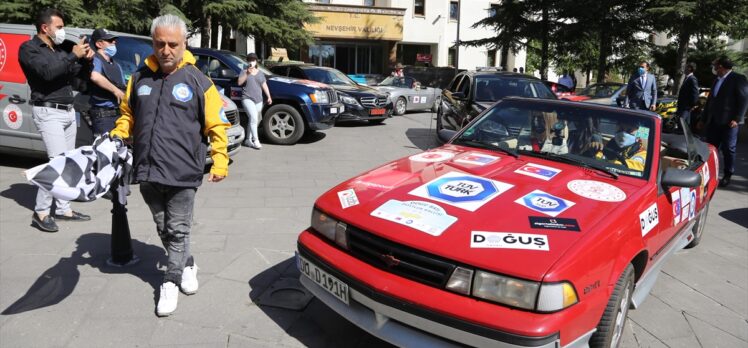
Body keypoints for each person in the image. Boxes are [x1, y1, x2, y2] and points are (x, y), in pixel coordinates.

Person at [110, 14, 230, 316]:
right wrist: (119, 133)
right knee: (163, 225)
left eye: (172, 44)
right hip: (147, 169)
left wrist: (220, 159)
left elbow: (216, 124)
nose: (166, 50)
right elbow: (128, 114)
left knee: (177, 229)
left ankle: (171, 281)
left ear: (184, 43)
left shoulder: (199, 81)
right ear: (153, 43)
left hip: (182, 170)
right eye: (160, 43)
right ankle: (188, 263)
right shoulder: (138, 79)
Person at [18, 8, 94, 232]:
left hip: (68, 111)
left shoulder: (58, 49)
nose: (62, 31)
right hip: (48, 111)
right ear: (45, 27)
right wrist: (73, 55)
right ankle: (41, 212)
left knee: (68, 162)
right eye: (59, 27)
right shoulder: (29, 49)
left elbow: (75, 77)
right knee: (56, 163)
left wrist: (86, 60)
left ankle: (63, 209)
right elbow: (48, 73)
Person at [701, 56, 748, 187]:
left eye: (715, 65)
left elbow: (744, 100)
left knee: (728, 149)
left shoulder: (738, 79)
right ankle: (710, 173)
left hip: (729, 123)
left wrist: (737, 119)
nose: (714, 68)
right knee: (711, 148)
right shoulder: (716, 80)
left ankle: (727, 174)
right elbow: (710, 101)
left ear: (721, 66)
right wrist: (703, 118)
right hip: (714, 121)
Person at [88, 28, 126, 136]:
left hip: (118, 116)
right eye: (109, 40)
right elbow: (95, 76)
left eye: (114, 40)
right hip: (103, 117)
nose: (114, 42)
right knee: (104, 150)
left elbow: (123, 87)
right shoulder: (96, 59)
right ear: (99, 44)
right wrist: (116, 91)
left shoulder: (116, 65)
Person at [237, 53, 271, 149]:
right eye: (250, 60)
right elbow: (239, 83)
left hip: (258, 100)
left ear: (256, 61)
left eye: (253, 60)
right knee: (254, 118)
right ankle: (256, 140)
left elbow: (264, 85)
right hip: (247, 98)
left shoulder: (260, 73)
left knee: (254, 120)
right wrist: (247, 73)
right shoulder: (244, 71)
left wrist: (269, 96)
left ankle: (248, 139)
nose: (251, 61)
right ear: (247, 62)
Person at [676, 62, 699, 129]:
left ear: (689, 68)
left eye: (686, 67)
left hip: (686, 107)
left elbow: (695, 93)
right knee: (685, 124)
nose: (684, 69)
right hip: (683, 106)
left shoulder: (692, 79)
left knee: (682, 123)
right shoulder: (687, 78)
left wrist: (692, 105)